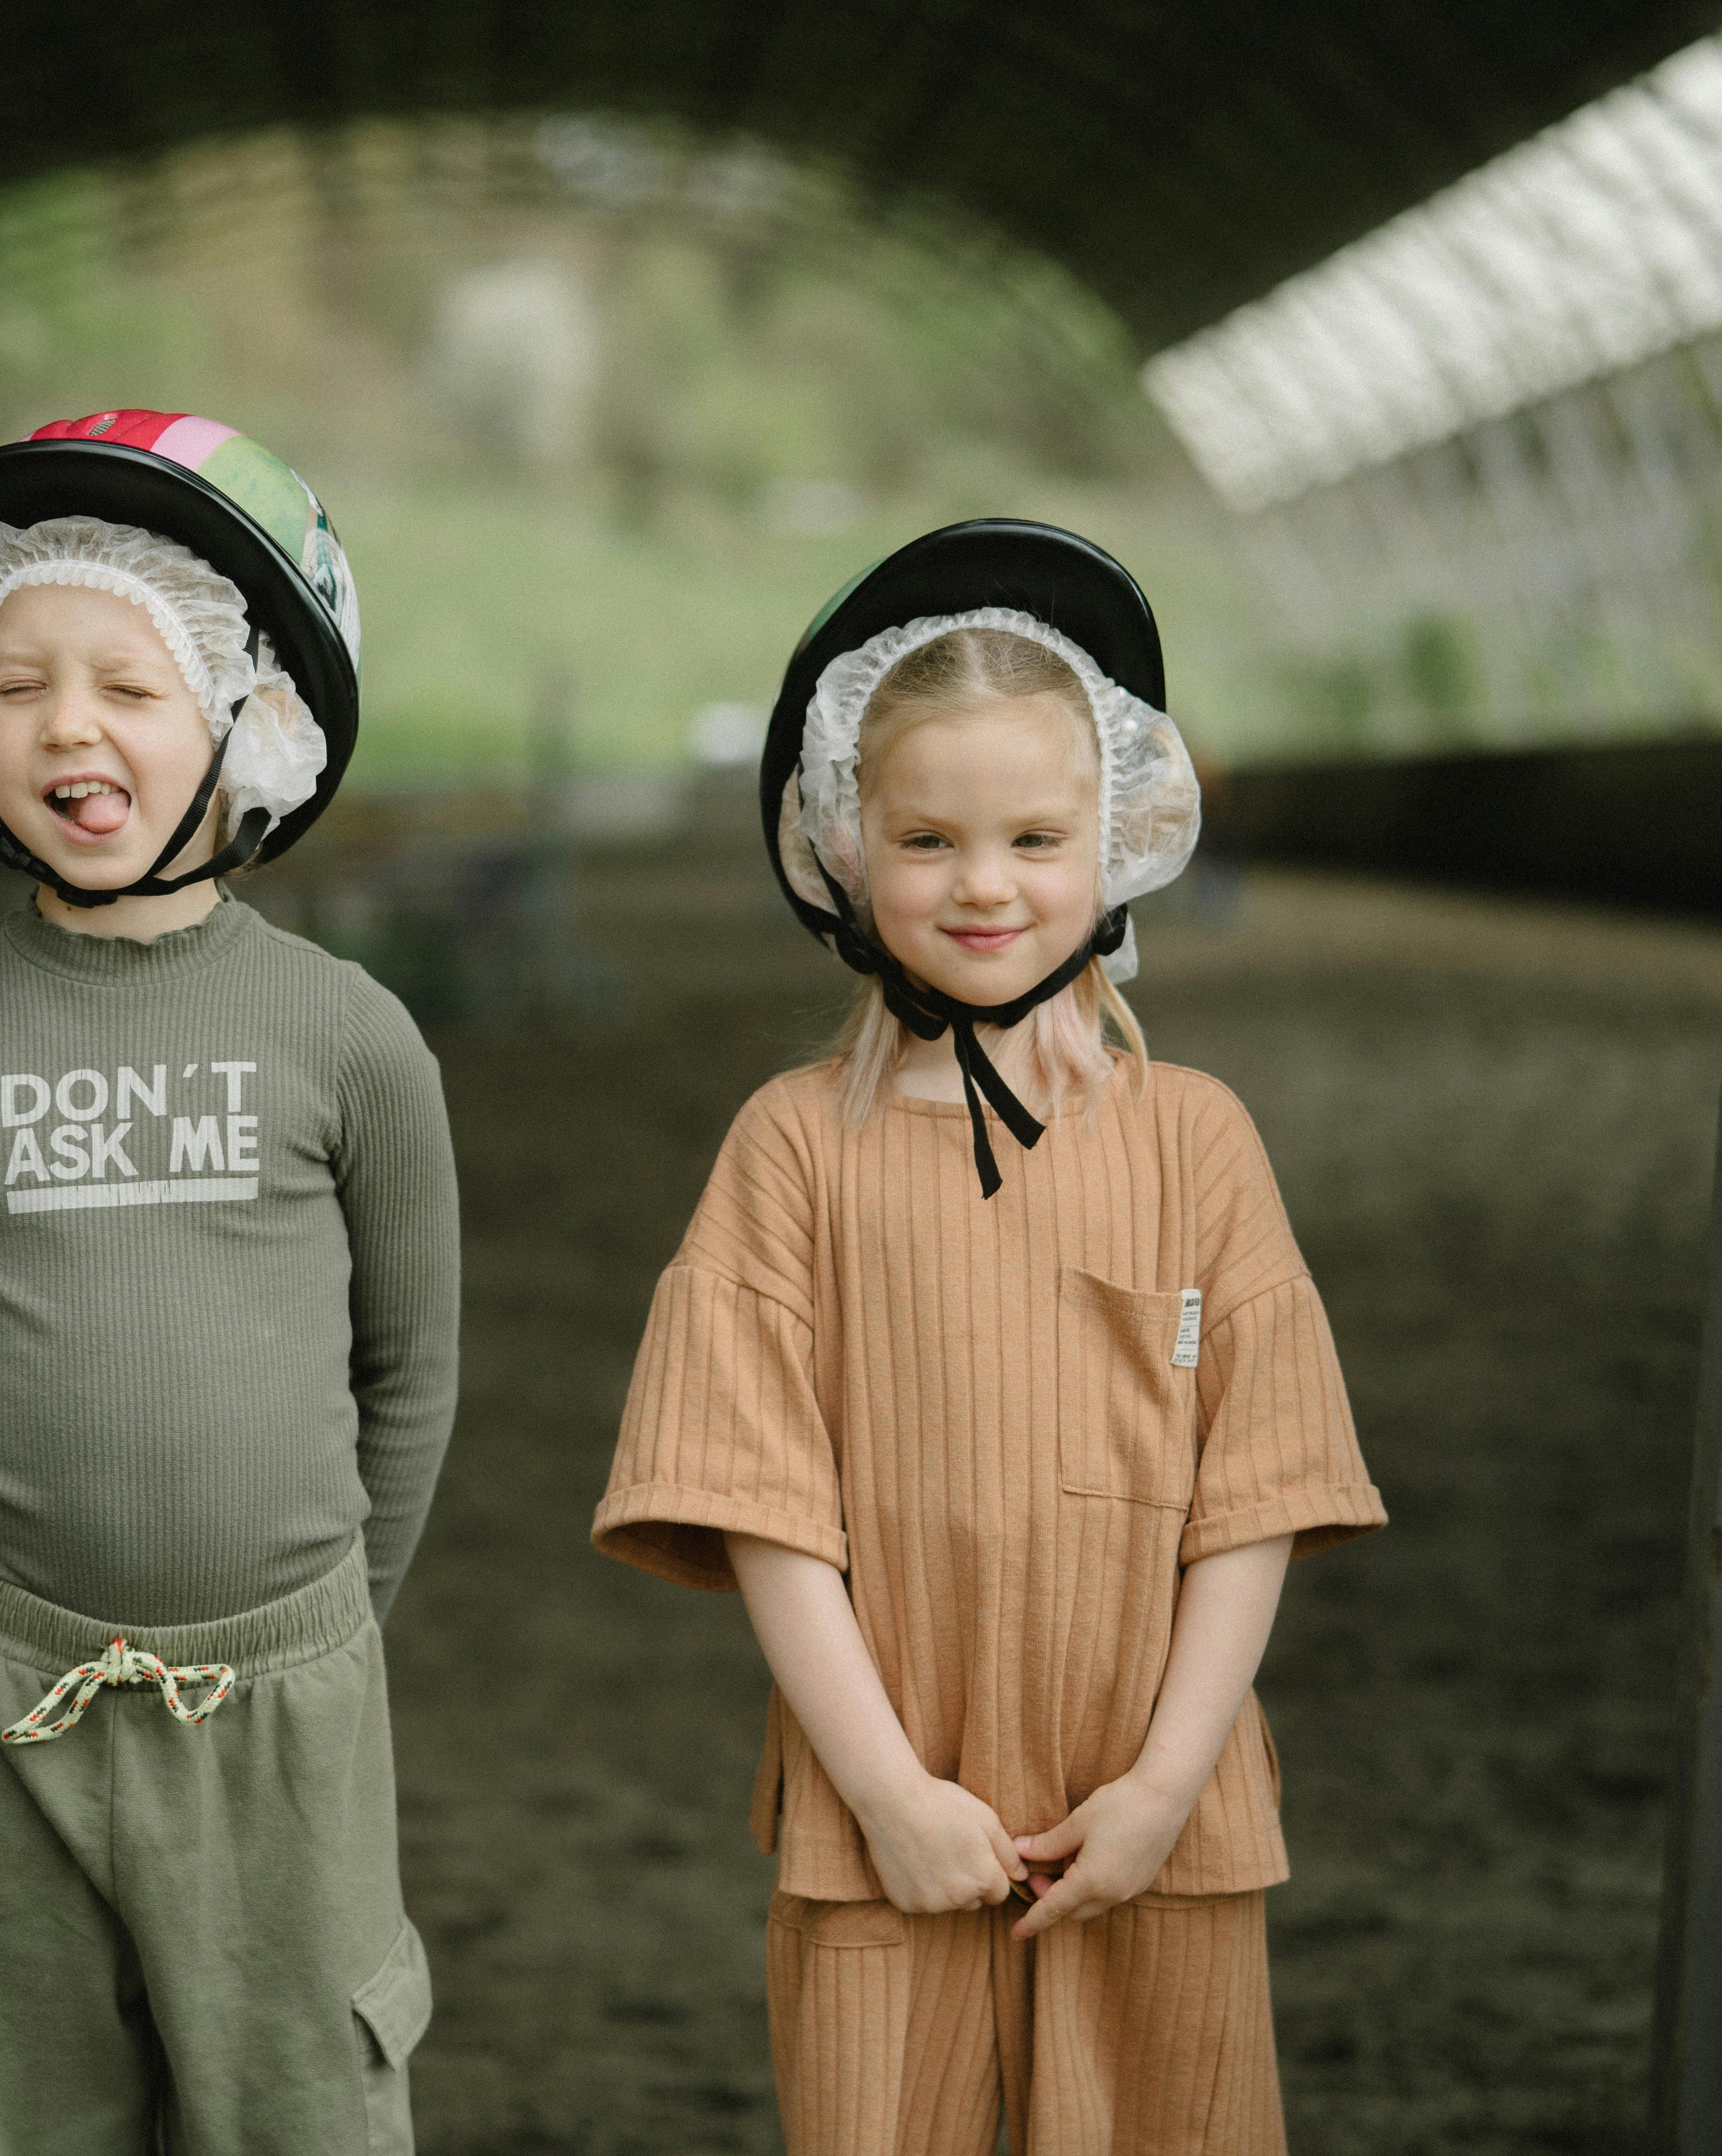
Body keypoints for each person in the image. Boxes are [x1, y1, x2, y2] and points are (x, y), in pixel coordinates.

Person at [590, 522, 1386, 2154]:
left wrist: (1167, 1788)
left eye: (1037, 835)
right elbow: (758, 1505)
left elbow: (1260, 1492)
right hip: (883, 1816)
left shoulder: (1198, 1141)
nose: (984, 883)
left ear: (1122, 842)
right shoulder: (789, 1148)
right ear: (842, 847)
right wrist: (885, 1791)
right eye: (929, 838)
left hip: (1160, 1818)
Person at [0, 410, 458, 2155]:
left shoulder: (348, 1040)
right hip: (0, 1696)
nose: (66, 724)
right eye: (17, 685)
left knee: (303, 2101)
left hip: (286, 1704)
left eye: (128, 685)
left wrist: (311, 1623)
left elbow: (412, 1373)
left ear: (255, 723)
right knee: (10, 2106)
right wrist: (15, 1576)